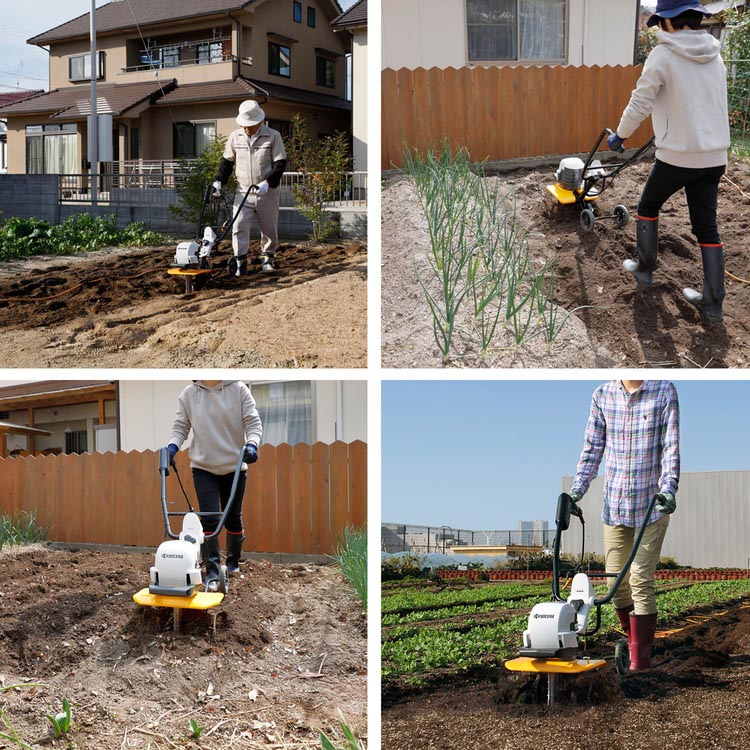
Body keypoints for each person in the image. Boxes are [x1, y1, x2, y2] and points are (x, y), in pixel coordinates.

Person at [607, 0, 730, 323]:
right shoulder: (715, 56)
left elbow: (641, 101)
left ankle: (644, 268)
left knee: (647, 206)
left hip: (678, 157)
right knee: (707, 226)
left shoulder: (663, 55)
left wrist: (620, 135)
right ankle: (713, 302)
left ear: (671, 22)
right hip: (715, 156)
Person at [568, 380, 680, 670]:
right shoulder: (602, 395)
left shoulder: (663, 391)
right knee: (615, 585)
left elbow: (670, 446)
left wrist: (669, 488)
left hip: (651, 507)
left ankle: (639, 663)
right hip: (615, 506)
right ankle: (634, 645)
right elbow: (593, 448)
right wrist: (577, 488)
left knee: (641, 579)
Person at [167, 380, 263, 591]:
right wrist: (172, 447)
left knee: (232, 518)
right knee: (209, 519)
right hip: (203, 467)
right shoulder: (189, 394)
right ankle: (212, 569)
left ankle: (232, 563)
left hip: (235, 466)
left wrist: (252, 444)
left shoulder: (238, 390)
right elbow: (181, 427)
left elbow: (253, 423)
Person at [213, 100, 287, 275]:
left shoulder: (273, 136)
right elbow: (227, 163)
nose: (247, 129)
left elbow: (280, 164)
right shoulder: (235, 137)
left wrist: (267, 183)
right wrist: (218, 181)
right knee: (238, 227)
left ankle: (268, 259)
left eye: (250, 126)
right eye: (244, 126)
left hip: (266, 192)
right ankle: (240, 263)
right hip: (243, 191)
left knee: (269, 228)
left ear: (259, 122)